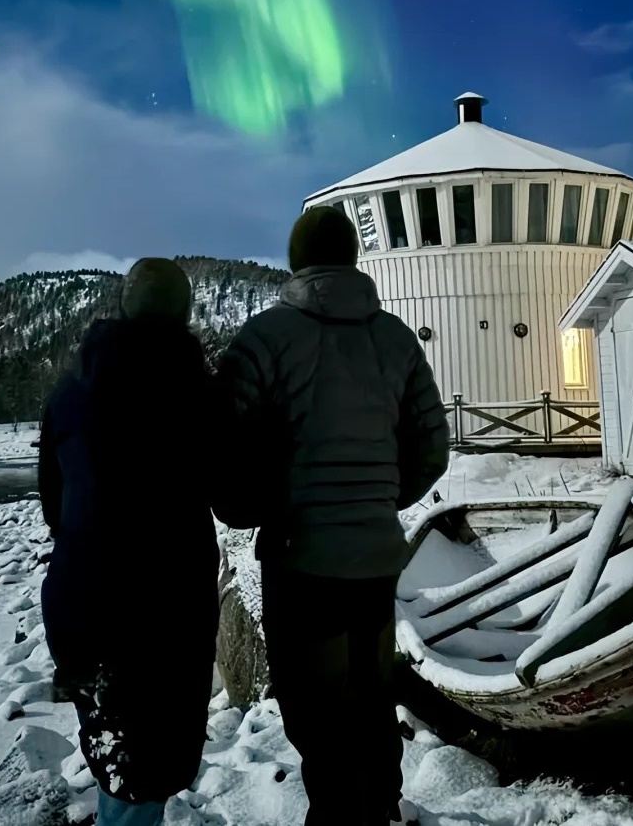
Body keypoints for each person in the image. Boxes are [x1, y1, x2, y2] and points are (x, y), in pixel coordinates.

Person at [215, 206, 450, 826]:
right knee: (372, 697)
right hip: (374, 559)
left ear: (296, 260)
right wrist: (376, 499)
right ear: (352, 257)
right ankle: (378, 811)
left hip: (302, 558)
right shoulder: (395, 337)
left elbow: (226, 445)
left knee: (315, 709)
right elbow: (433, 447)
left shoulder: (264, 338)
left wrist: (252, 509)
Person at [39, 258, 218, 826]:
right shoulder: (200, 391)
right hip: (168, 609)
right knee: (152, 764)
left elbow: (52, 505)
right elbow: (234, 493)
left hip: (81, 604)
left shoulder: (70, 391)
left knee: (117, 757)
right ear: (185, 313)